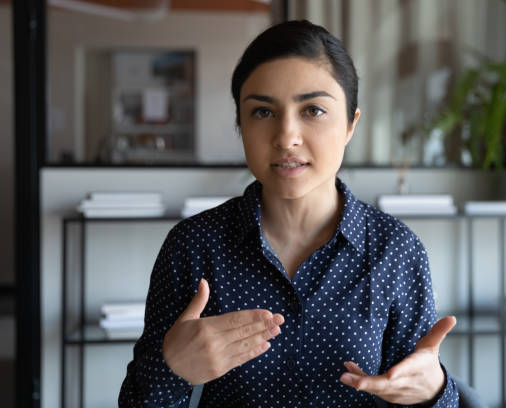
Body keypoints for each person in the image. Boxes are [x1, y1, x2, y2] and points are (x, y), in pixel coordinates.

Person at [119, 20, 459, 408]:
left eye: (313, 110)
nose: (286, 137)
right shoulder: (194, 247)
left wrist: (433, 393)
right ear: (240, 125)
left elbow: (420, 387)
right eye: (263, 112)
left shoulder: (395, 251)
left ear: (351, 124)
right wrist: (172, 369)